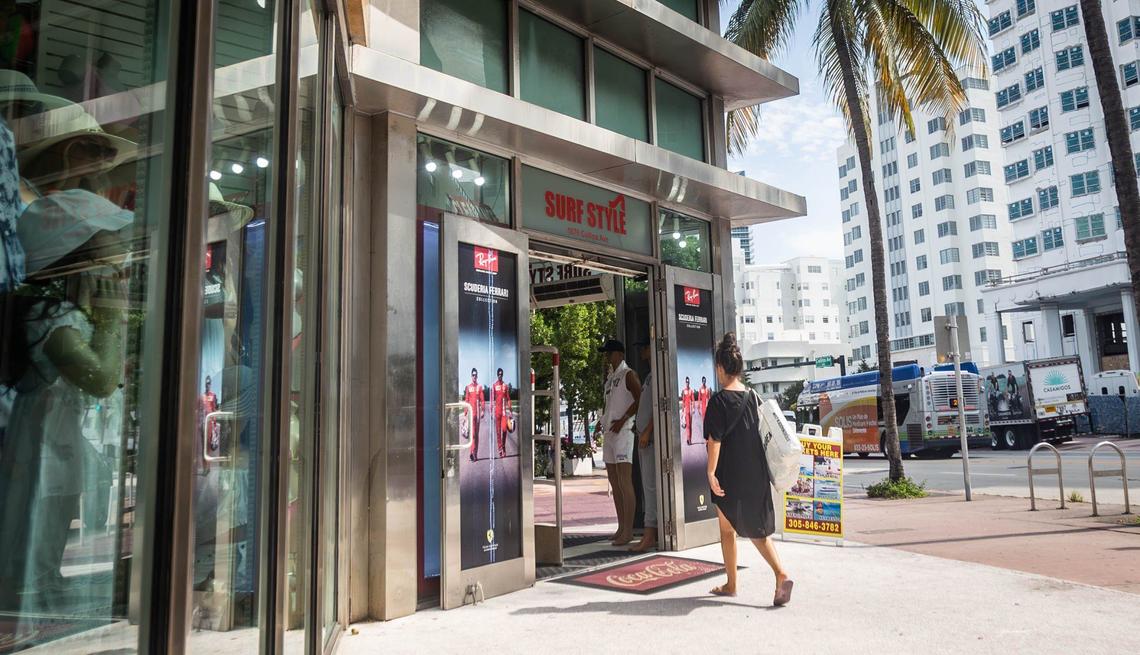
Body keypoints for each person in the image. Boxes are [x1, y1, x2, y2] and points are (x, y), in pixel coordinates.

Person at [705, 332, 793, 606]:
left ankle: (773, 575)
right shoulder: (754, 397)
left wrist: (710, 472)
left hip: (729, 476)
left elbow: (714, 441)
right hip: (756, 472)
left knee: (729, 529)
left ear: (720, 367)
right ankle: (747, 580)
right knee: (754, 529)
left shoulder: (718, 401)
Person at [595, 339, 641, 546]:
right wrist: (601, 422)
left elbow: (640, 399)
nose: (607, 356)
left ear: (620, 354)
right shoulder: (610, 379)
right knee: (614, 482)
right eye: (606, 353)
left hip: (624, 432)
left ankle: (629, 530)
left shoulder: (628, 374)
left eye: (610, 353)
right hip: (610, 432)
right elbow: (609, 406)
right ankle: (621, 526)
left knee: (624, 481)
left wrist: (623, 419)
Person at [631, 342, 657, 552]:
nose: (641, 351)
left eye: (644, 346)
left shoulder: (658, 374)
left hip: (651, 440)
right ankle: (650, 532)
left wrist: (648, 430)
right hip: (643, 438)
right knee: (647, 486)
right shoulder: (649, 375)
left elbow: (659, 407)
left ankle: (650, 534)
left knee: (650, 486)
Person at [464, 368, 485, 461]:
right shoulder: (468, 387)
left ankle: (475, 453)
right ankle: (472, 453)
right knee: (472, 434)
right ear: (471, 376)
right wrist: (465, 413)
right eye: (473, 375)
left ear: (477, 376)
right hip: (471, 414)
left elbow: (482, 400)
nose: (474, 376)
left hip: (477, 414)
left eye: (475, 375)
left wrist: (483, 410)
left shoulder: (479, 387)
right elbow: (466, 400)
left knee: (476, 434)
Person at [491, 368, 510, 458]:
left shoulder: (505, 386)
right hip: (497, 412)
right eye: (498, 374)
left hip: (503, 412)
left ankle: (503, 446)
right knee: (498, 432)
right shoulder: (494, 385)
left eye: (501, 374)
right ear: (497, 375)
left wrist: (510, 410)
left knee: (504, 430)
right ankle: (500, 449)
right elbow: (492, 399)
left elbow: (508, 399)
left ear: (503, 375)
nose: (500, 375)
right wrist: (491, 410)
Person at [681, 377, 694, 445]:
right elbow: (683, 401)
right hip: (686, 410)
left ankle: (689, 439)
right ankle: (688, 439)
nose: (687, 383)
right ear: (685, 383)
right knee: (687, 425)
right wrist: (683, 412)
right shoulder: (684, 391)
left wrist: (693, 408)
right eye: (686, 382)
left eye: (688, 382)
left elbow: (693, 400)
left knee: (690, 426)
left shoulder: (691, 391)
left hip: (690, 410)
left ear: (689, 382)